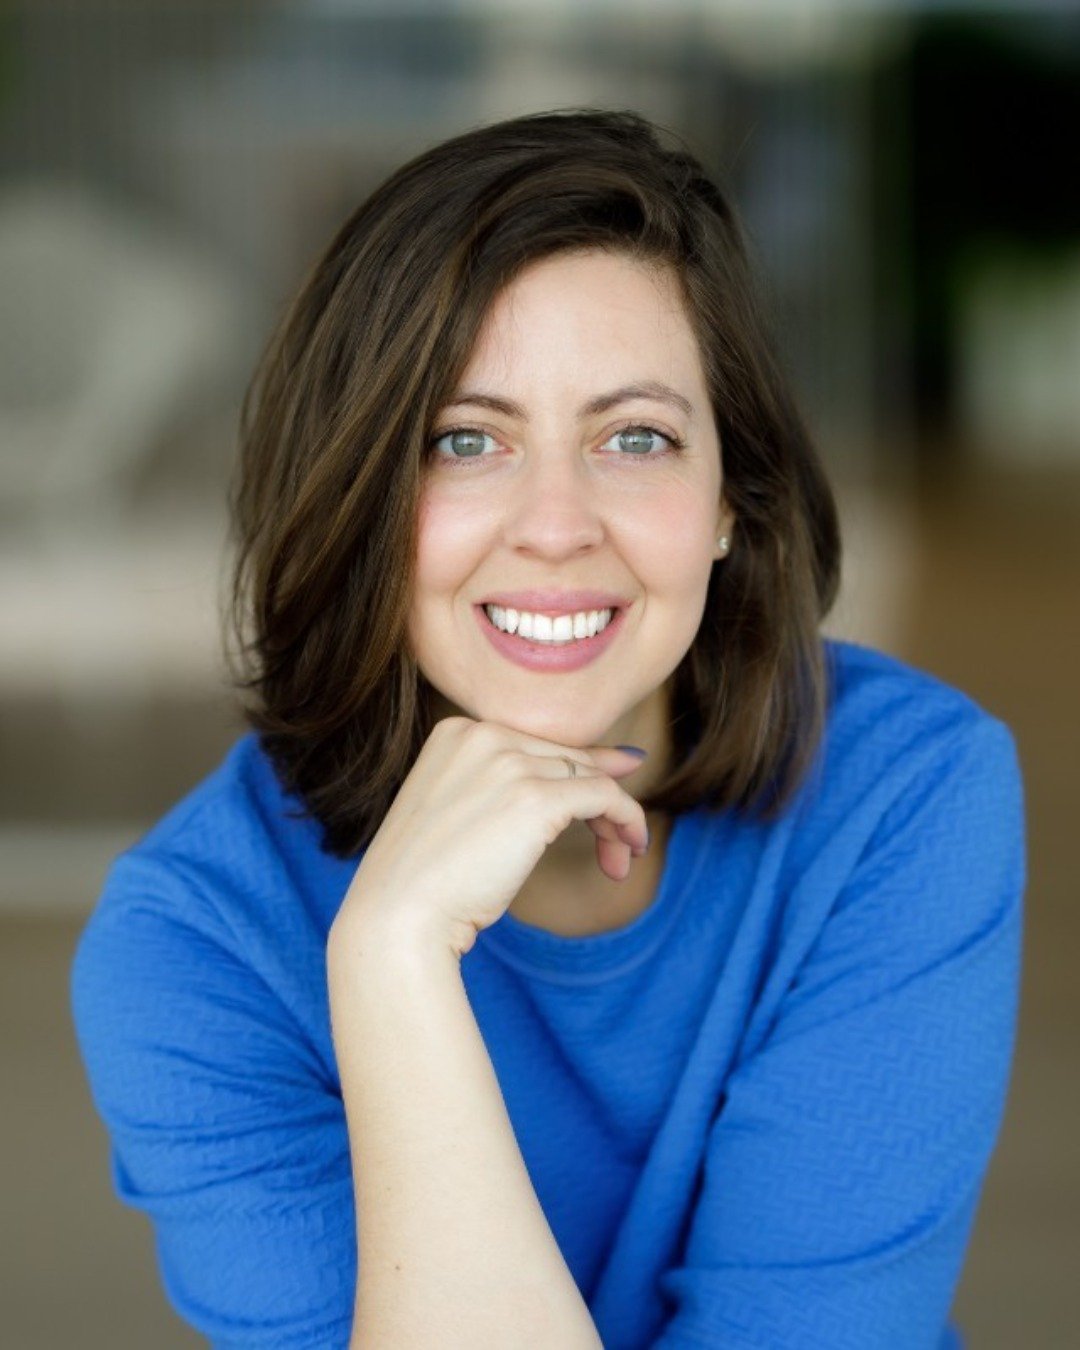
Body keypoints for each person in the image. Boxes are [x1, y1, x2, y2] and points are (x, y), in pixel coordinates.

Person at [70, 108, 1025, 1350]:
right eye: (466, 440)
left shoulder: (900, 794)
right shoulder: (196, 946)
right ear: (359, 494)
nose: (558, 526)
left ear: (729, 500)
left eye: (636, 438)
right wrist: (395, 965)